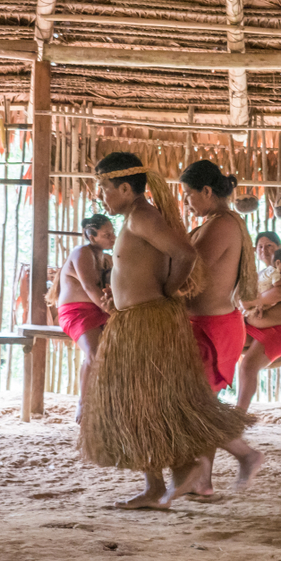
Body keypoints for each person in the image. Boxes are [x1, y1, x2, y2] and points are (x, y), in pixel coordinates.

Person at [78, 152, 252, 510]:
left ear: (125, 187)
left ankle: (200, 469)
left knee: (160, 405)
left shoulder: (143, 216)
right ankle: (160, 485)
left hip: (149, 322)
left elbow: (185, 255)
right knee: (142, 406)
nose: (101, 196)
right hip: (135, 320)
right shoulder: (134, 219)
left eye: (104, 188)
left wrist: (169, 291)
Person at [177, 160, 266, 494]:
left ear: (207, 191)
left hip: (214, 327)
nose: (186, 202)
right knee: (204, 404)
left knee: (199, 405)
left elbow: (189, 271)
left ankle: (246, 455)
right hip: (205, 323)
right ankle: (203, 481)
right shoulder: (216, 221)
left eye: (188, 195)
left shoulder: (222, 225)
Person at [47, 214, 116, 423]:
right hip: (76, 312)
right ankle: (83, 405)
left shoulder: (106, 258)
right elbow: (88, 286)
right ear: (91, 235)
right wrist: (113, 312)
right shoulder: (81, 253)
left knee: (108, 355)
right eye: (107, 234)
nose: (113, 238)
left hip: (98, 310)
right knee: (95, 354)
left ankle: (106, 403)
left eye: (113, 233)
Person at [237, 247, 281, 412]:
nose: (264, 250)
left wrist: (250, 302)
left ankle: (239, 415)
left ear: (278, 249)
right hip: (256, 328)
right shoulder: (263, 273)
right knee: (224, 345)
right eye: (260, 246)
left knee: (248, 366)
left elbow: (280, 293)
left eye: (269, 245)